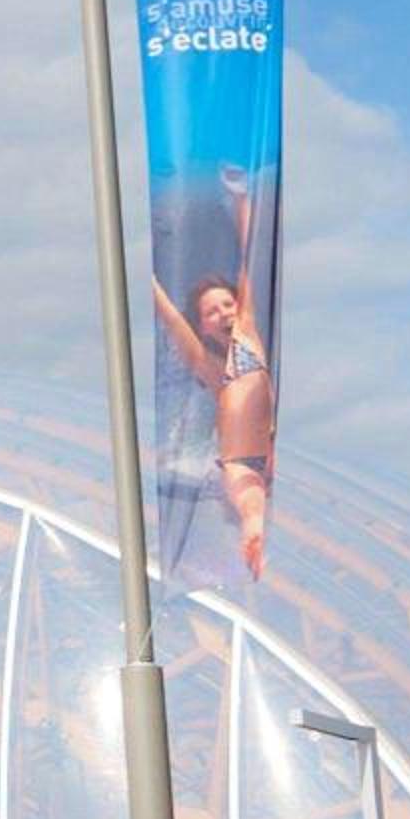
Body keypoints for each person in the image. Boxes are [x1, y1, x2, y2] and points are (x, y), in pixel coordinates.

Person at [151, 167, 274, 578]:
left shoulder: (248, 337)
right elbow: (172, 319)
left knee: (260, 494)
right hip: (240, 460)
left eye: (227, 305)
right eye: (211, 312)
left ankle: (255, 537)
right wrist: (148, 282)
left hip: (271, 451)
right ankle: (251, 538)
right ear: (202, 326)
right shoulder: (209, 367)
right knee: (250, 500)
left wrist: (241, 198)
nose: (223, 313)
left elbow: (251, 261)